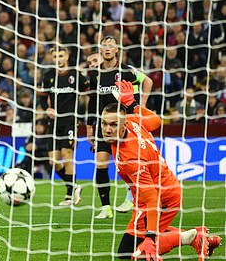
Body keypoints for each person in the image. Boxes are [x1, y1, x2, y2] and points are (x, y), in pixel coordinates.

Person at [102, 80, 221, 261]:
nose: (107, 129)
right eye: (104, 124)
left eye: (113, 125)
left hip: (161, 196)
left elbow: (152, 199)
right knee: (139, 239)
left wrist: (150, 238)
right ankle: (196, 235)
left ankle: (193, 238)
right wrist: (132, 104)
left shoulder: (131, 158)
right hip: (158, 190)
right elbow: (156, 121)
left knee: (129, 252)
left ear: (123, 125)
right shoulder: (133, 121)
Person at [87, 36, 153, 219]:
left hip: (124, 126)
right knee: (100, 165)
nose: (107, 48)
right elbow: (92, 103)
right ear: (100, 50)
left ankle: (131, 198)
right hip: (104, 127)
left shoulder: (126, 70)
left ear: (117, 49)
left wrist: (143, 105)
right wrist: (89, 129)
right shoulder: (94, 74)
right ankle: (105, 207)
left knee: (127, 164)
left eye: (111, 46)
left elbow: (148, 82)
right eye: (104, 45)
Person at [42, 46, 86, 205]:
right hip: (53, 123)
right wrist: (47, 109)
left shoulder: (76, 76)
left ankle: (69, 194)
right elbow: (43, 97)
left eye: (61, 55)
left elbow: (86, 96)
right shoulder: (48, 77)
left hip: (69, 122)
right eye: (55, 56)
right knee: (53, 161)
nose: (58, 59)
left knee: (68, 156)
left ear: (67, 56)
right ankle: (74, 186)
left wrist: (79, 118)